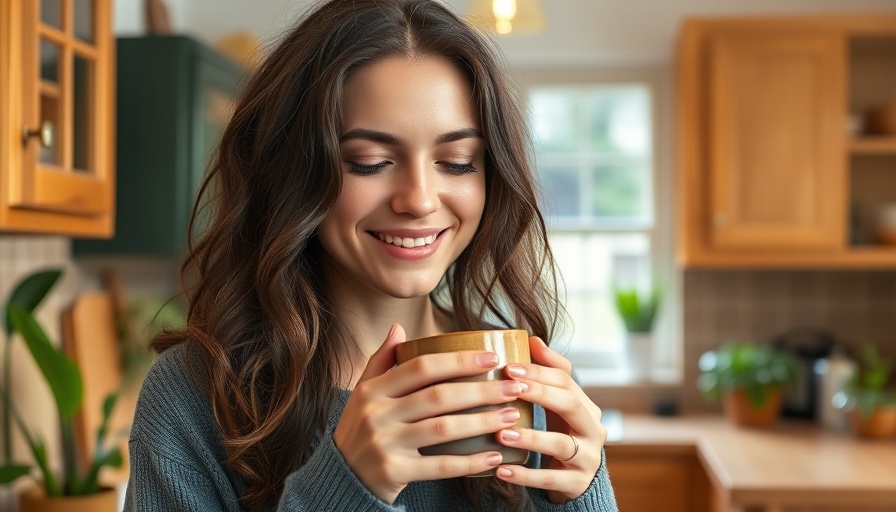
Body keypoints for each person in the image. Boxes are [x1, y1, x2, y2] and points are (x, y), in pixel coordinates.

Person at [123, 0, 617, 511]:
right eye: (370, 162)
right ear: (294, 174)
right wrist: (346, 486)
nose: (420, 199)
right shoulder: (193, 400)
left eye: (456, 162)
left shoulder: (529, 387)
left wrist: (584, 493)